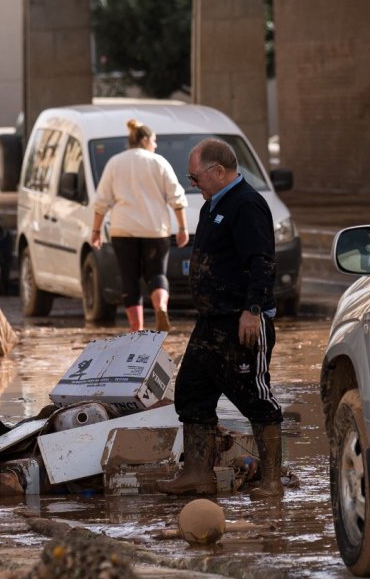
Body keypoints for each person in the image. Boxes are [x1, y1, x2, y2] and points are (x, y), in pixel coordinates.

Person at [157, 138, 284, 499]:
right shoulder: (213, 205)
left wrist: (253, 310)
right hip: (210, 321)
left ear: (218, 171)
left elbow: (262, 261)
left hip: (240, 320)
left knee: (255, 397)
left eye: (195, 177)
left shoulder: (247, 205)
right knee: (192, 392)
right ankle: (198, 473)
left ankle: (272, 480)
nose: (192, 183)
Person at [90, 119, 188, 331]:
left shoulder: (115, 163)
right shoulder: (158, 162)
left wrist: (96, 231)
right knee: (157, 275)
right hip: (155, 230)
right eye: (154, 141)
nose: (156, 145)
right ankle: (160, 306)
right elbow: (176, 197)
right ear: (144, 140)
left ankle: (137, 328)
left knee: (129, 278)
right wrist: (182, 228)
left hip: (123, 230)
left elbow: (101, 202)